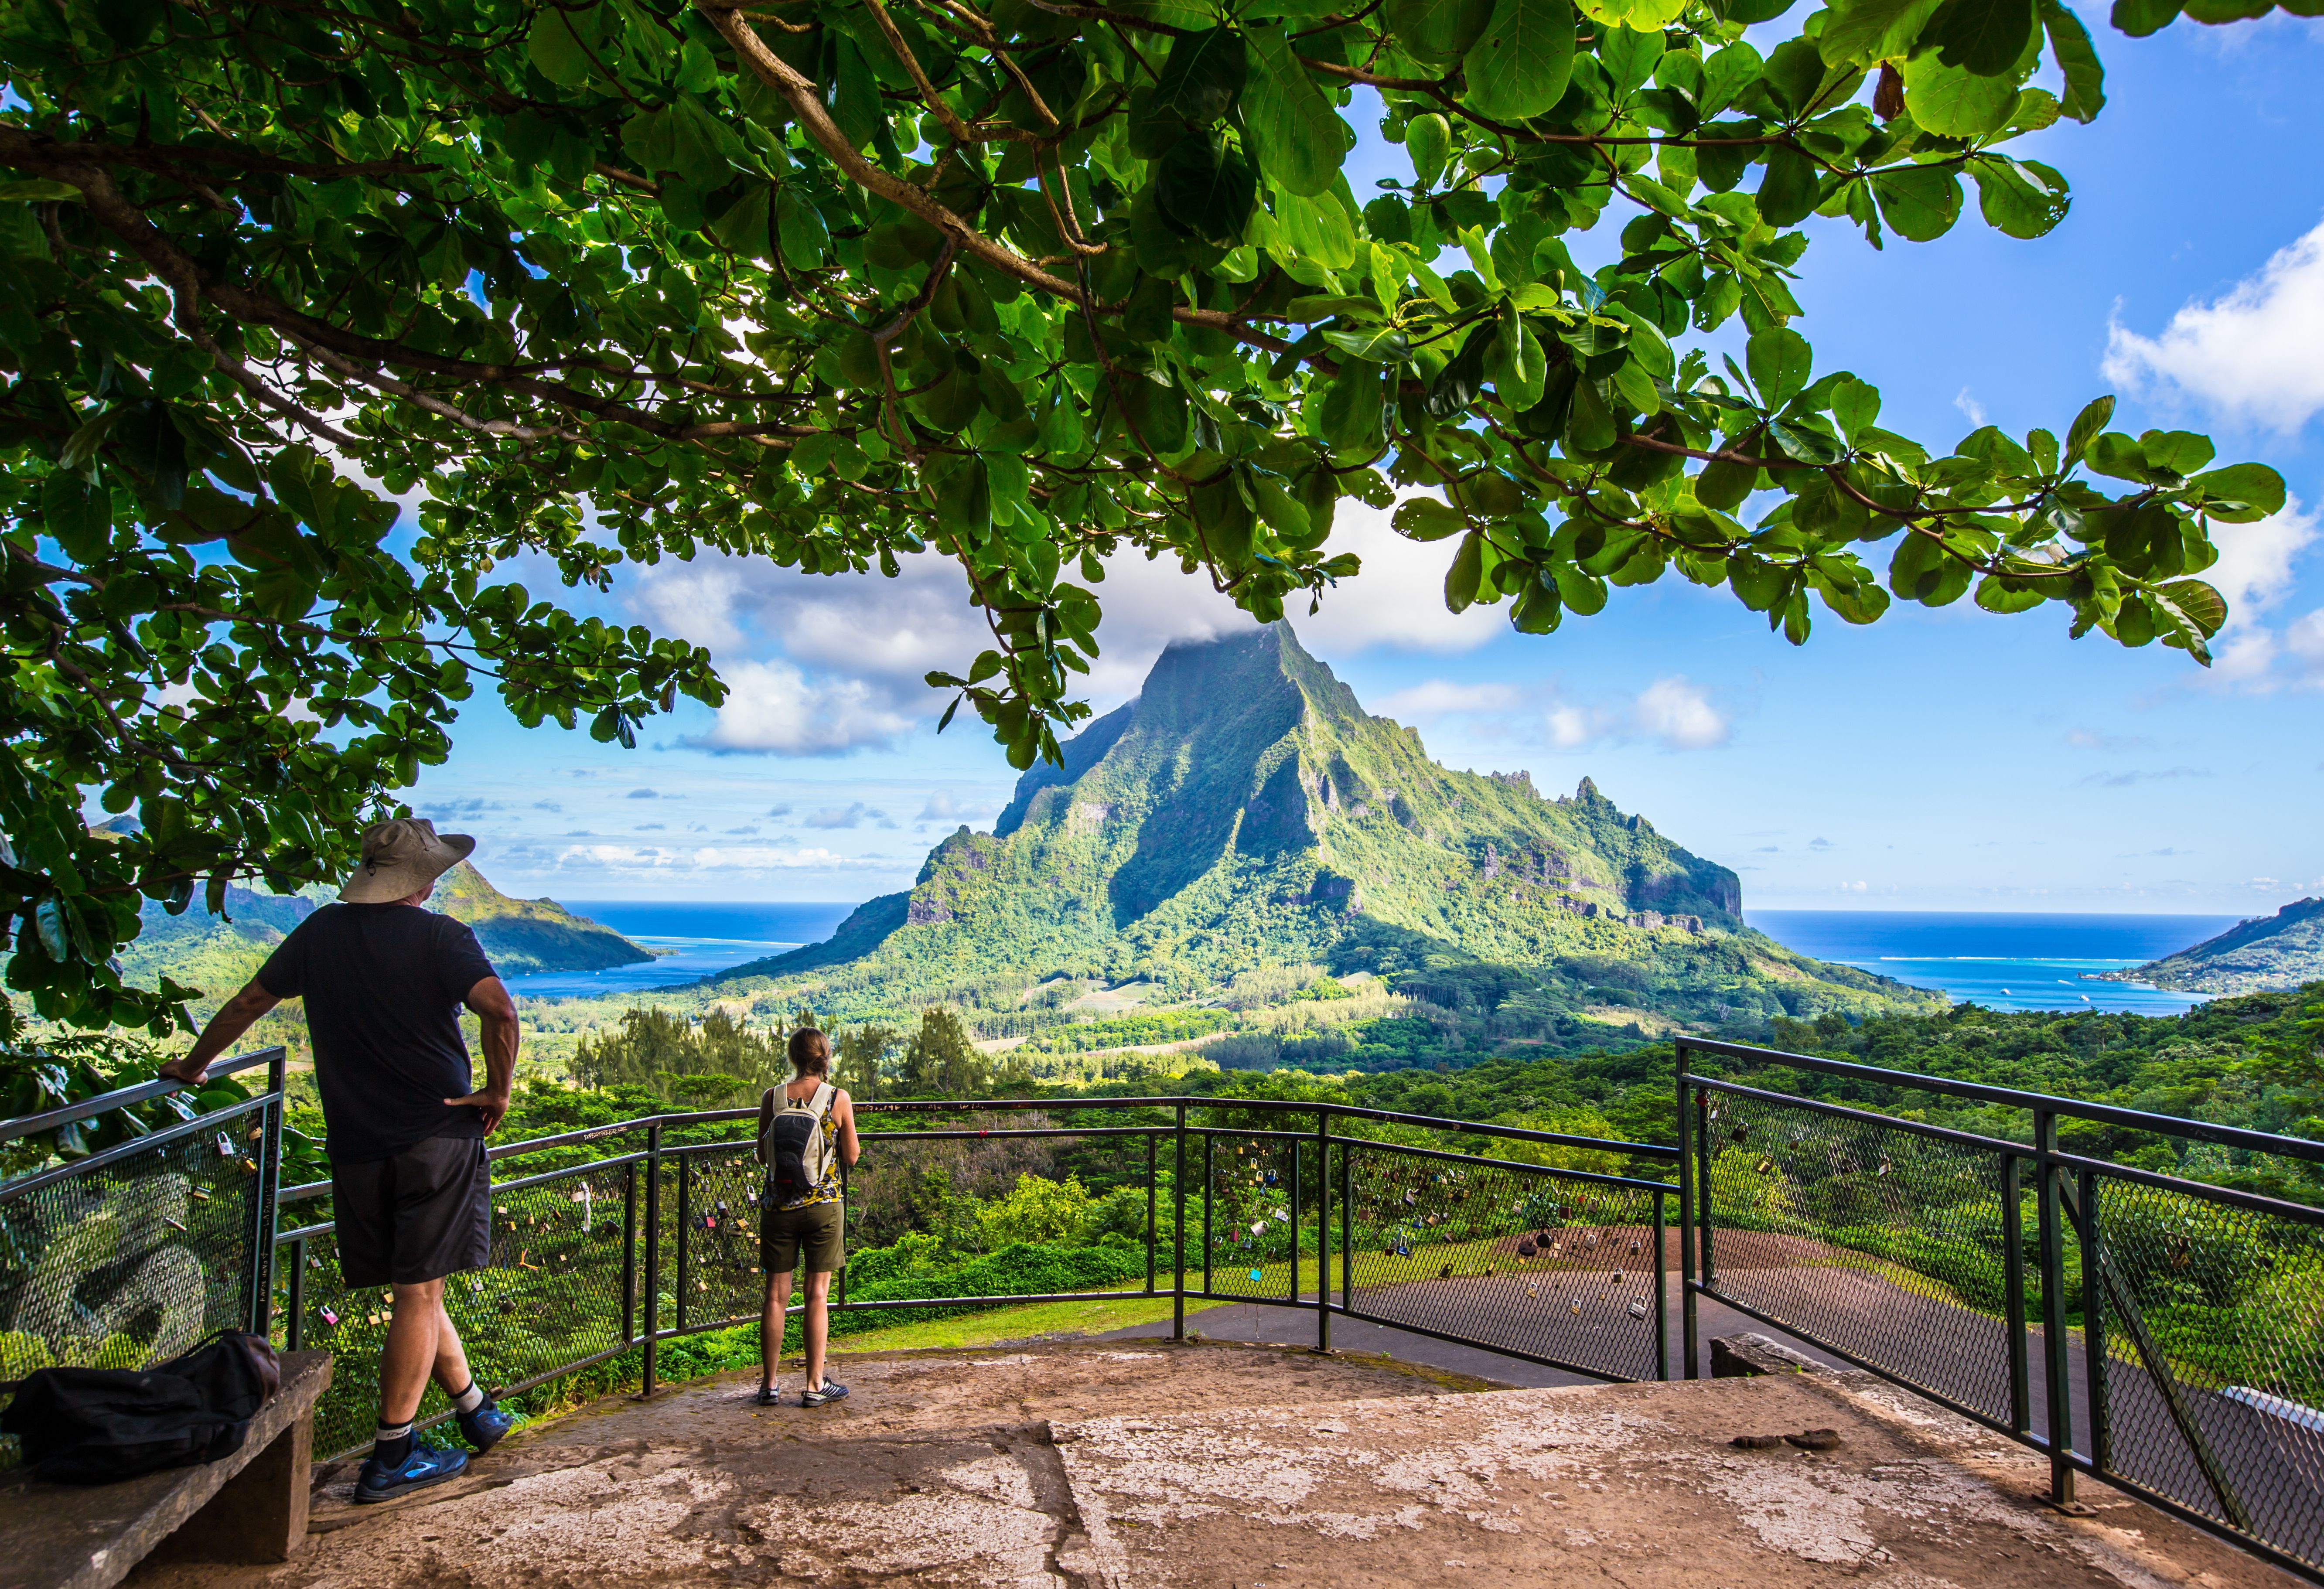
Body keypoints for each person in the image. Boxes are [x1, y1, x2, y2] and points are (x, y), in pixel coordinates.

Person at [158, 818, 520, 1502]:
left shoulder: (321, 932)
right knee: (419, 1290)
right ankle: (392, 1456)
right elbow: (500, 1011)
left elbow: (248, 1002)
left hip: (356, 1145)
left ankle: (475, 1412)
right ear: (424, 881)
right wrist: (497, 1092)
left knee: (417, 1282)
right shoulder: (443, 937)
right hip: (437, 1137)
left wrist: (194, 1066)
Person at [755, 1028, 860, 1408]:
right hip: (822, 1207)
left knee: (775, 1297)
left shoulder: (773, 1097)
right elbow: (851, 1157)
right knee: (817, 1295)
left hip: (777, 1208)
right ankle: (815, 1386)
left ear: (793, 1056)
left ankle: (769, 1385)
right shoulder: (837, 1097)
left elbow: (763, 1156)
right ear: (824, 1056)